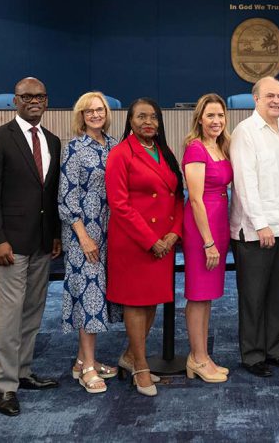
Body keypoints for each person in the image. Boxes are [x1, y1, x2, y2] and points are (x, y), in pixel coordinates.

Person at [0, 77, 62, 416]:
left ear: (46, 99)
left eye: (40, 96)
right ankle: (6, 386)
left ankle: (23, 372)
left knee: (32, 312)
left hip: (41, 242)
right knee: (9, 316)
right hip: (9, 244)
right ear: (15, 101)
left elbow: (50, 196)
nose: (34, 101)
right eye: (27, 96)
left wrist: (54, 233)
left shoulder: (53, 141)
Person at [105, 98, 184, 397]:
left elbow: (178, 195)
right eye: (141, 117)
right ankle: (140, 365)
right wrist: (151, 241)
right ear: (130, 120)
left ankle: (129, 355)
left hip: (164, 241)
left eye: (153, 116)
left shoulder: (164, 151)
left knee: (151, 301)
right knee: (136, 303)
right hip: (134, 243)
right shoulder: (120, 154)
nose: (148, 121)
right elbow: (119, 205)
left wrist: (174, 233)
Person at [230, 76, 279, 378]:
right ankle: (252, 354)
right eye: (270, 95)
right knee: (253, 296)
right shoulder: (245, 132)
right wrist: (262, 224)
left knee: (278, 294)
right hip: (255, 231)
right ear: (255, 99)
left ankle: (273, 350)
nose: (276, 101)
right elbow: (245, 183)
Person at [58, 91, 121, 394]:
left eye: (100, 110)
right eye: (89, 111)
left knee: (99, 293)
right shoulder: (74, 148)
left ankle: (82, 361)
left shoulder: (113, 146)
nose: (95, 115)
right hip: (84, 232)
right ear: (81, 116)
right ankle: (90, 369)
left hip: (111, 229)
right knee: (89, 296)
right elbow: (66, 198)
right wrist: (83, 237)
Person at [182, 94, 233, 384]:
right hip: (203, 229)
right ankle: (197, 357)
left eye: (221, 116)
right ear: (200, 118)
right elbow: (196, 200)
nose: (216, 121)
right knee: (197, 293)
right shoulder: (196, 148)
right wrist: (208, 242)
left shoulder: (221, 146)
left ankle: (202, 354)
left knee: (208, 296)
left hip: (220, 224)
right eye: (211, 115)